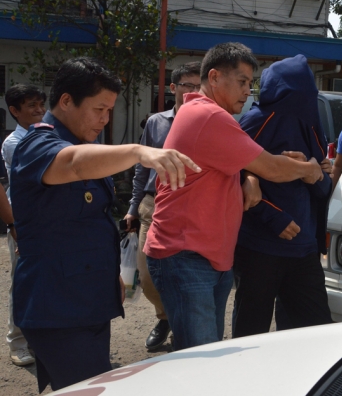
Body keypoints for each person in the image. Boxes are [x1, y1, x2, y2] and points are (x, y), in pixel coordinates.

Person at [10, 57, 200, 393]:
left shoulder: (85, 144)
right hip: (57, 306)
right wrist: (140, 151)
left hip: (85, 300)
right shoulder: (39, 143)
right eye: (99, 109)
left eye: (109, 110)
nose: (105, 119)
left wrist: (110, 274)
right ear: (66, 101)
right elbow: (70, 165)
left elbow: (89, 222)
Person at [144, 42, 324, 351]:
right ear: (214, 78)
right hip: (189, 255)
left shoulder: (208, 115)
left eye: (250, 83)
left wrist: (250, 178)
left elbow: (240, 167)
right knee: (202, 359)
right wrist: (310, 171)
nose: (248, 91)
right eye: (241, 82)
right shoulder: (211, 117)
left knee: (210, 353)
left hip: (211, 256)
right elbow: (271, 167)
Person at [233, 54, 333, 338]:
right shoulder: (256, 121)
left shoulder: (313, 127)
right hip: (260, 249)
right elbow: (232, 174)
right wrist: (272, 216)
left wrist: (313, 175)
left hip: (304, 252)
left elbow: (323, 188)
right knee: (251, 335)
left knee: (313, 334)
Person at [124, 61, 201, 351]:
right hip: (151, 207)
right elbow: (142, 170)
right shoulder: (157, 122)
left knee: (185, 276)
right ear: (173, 88)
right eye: (187, 86)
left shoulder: (207, 121)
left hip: (190, 209)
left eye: (198, 86)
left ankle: (182, 328)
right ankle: (164, 317)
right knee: (147, 278)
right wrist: (132, 207)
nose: (193, 91)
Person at [2, 84, 46, 367]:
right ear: (14, 111)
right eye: (31, 105)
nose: (39, 110)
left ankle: (41, 340)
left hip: (48, 222)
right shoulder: (14, 143)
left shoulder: (46, 135)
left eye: (41, 104)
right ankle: (17, 342)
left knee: (47, 281)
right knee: (22, 283)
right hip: (24, 223)